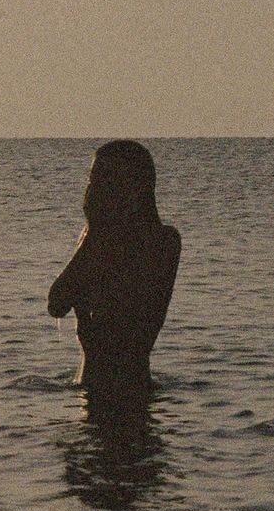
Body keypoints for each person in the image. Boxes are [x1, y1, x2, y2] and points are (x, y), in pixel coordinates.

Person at [48, 140, 181, 401]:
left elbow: (132, 331)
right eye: (91, 180)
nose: (91, 190)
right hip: (94, 387)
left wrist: (95, 237)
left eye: (100, 181)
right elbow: (57, 304)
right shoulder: (97, 239)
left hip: (129, 387)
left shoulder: (162, 241)